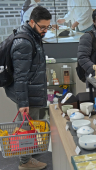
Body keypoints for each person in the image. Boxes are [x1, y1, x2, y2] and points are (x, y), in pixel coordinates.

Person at [4, 6, 51, 170]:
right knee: (25, 127)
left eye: (48, 27)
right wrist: (24, 102)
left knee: (30, 126)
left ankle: (28, 155)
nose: (45, 30)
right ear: (32, 22)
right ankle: (25, 162)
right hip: (27, 95)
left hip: (32, 91)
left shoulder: (33, 35)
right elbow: (20, 76)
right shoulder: (25, 42)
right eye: (42, 27)